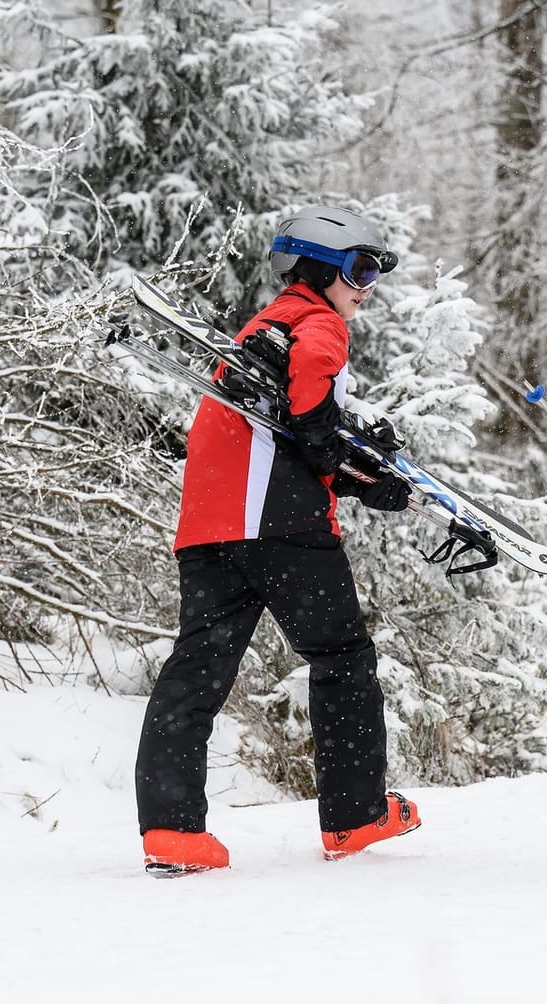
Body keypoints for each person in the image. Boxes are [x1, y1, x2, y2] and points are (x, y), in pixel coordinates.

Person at [134, 205, 422, 876]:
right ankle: (355, 817)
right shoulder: (318, 325)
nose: (367, 285)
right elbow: (312, 425)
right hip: (282, 522)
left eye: (373, 271)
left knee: (197, 672)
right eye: (359, 268)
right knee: (343, 656)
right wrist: (365, 477)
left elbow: (290, 432)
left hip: (208, 525)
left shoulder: (258, 331)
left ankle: (173, 833)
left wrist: (351, 472)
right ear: (319, 269)